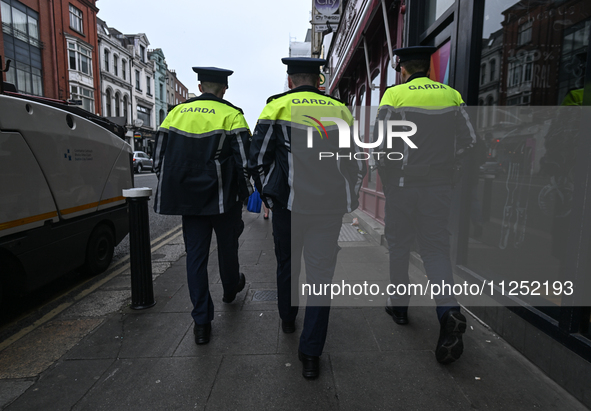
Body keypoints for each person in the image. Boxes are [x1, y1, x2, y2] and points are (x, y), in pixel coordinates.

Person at [249, 57, 365, 379]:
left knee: (287, 264)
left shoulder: (276, 108)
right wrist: (349, 199)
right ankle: (311, 353)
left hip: (288, 207)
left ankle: (287, 318)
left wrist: (270, 196)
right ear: (319, 81)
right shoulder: (340, 111)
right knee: (320, 277)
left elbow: (256, 160)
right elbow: (356, 164)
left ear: (289, 81)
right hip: (327, 210)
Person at [375, 46, 476, 364]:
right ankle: (449, 312)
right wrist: (448, 170)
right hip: (438, 189)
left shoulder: (395, 96)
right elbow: (470, 141)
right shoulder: (451, 95)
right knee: (435, 250)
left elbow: (380, 145)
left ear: (402, 69)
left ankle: (400, 307)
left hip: (403, 186)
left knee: (399, 246)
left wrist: (389, 181)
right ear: (428, 67)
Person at [153, 67, 252, 345]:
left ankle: (201, 323)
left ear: (199, 86)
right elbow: (245, 160)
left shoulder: (175, 114)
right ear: (224, 88)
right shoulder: (232, 114)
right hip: (223, 198)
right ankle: (231, 289)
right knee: (228, 248)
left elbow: (158, 158)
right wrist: (248, 194)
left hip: (189, 201)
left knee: (195, 258)